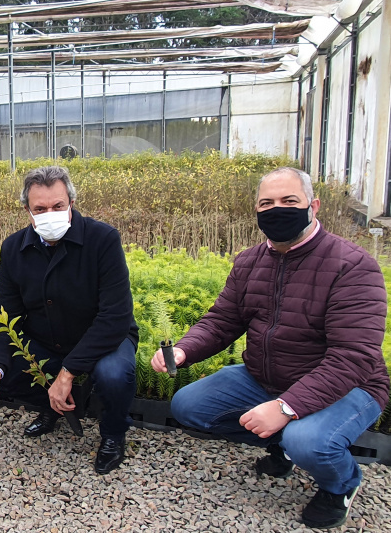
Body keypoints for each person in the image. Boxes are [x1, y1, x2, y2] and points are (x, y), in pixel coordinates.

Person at [152, 167, 389, 529]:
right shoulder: (250, 262)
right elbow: (223, 320)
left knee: (307, 439)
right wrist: (184, 350)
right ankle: (283, 446)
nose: (277, 209)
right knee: (189, 405)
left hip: (350, 386)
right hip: (266, 376)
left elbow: (352, 358)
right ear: (258, 211)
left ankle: (340, 484)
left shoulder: (353, 266)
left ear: (313, 205)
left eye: (289, 201)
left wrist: (286, 407)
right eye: (267, 203)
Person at [0, 166, 139, 475]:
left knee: (114, 375)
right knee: (10, 370)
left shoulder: (102, 240)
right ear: (28, 211)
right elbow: (4, 316)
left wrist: (67, 373)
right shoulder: (14, 248)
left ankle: (113, 433)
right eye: (40, 209)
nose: (50, 213)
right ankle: (51, 408)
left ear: (71, 203)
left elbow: (115, 316)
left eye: (57, 206)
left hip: (103, 339)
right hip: (48, 339)